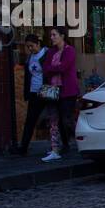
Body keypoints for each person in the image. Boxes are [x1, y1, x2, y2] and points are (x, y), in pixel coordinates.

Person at [40, 27, 79, 163]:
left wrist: (52, 68)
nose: (52, 37)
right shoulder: (51, 52)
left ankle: (81, 142)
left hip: (67, 91)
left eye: (54, 35)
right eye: (50, 35)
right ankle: (55, 149)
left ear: (62, 36)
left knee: (67, 120)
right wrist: (53, 69)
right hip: (53, 91)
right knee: (53, 120)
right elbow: (45, 69)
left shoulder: (70, 51)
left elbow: (63, 67)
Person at [15, 34, 46, 155]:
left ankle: (62, 144)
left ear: (38, 44)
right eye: (28, 47)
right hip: (34, 92)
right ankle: (23, 147)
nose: (30, 49)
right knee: (30, 120)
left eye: (32, 46)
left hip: (45, 90)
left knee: (54, 118)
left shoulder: (47, 54)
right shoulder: (30, 58)